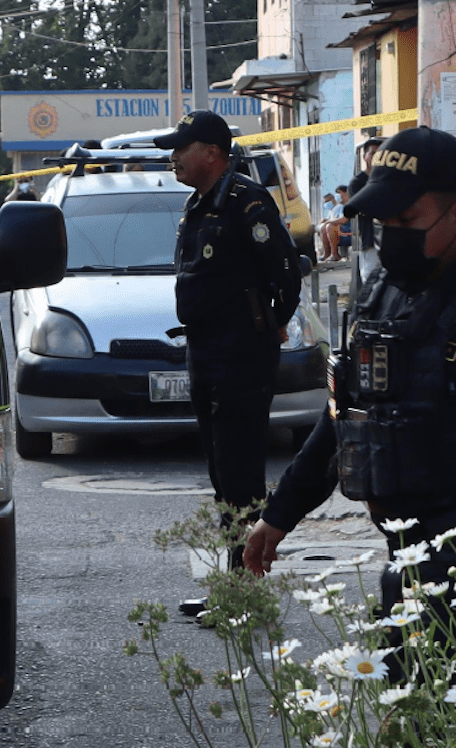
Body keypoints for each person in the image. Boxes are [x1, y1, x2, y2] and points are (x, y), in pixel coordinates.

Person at [244, 126, 456, 672]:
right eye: (382, 221)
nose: (389, 234)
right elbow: (347, 418)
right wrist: (280, 513)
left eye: (406, 221)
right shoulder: (383, 295)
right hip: (407, 564)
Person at [153, 110, 301, 596]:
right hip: (205, 350)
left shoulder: (247, 201)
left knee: (241, 474)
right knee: (220, 471)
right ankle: (234, 583)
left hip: (241, 356)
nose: (173, 157)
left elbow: (286, 273)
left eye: (182, 147)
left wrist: (270, 325)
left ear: (212, 153)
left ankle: (245, 591)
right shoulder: (197, 204)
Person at [349, 135, 385, 285]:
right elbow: (362, 208)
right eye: (373, 153)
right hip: (370, 241)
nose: (377, 157)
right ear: (365, 157)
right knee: (371, 283)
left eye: (381, 153)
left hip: (392, 240)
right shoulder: (357, 183)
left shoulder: (392, 180)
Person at [317, 185, 351, 262]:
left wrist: (329, 221)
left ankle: (334, 254)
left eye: (340, 193)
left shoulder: (349, 204)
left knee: (330, 226)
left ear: (346, 193)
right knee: (324, 227)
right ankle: (327, 254)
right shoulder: (340, 206)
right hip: (342, 229)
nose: (339, 196)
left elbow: (343, 220)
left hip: (350, 229)